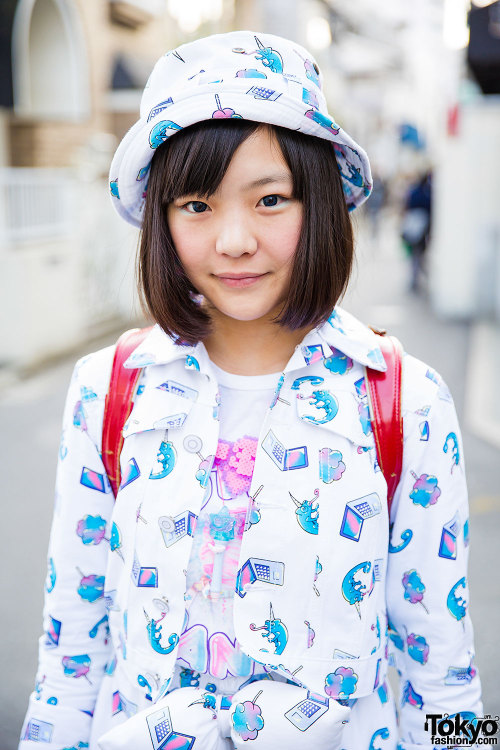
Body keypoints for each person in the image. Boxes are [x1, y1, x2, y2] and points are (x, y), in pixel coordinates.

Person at [20, 31, 482, 750]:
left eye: (270, 200)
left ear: (319, 203)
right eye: (197, 207)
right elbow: (70, 661)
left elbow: (446, 680)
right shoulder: (107, 392)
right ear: (161, 221)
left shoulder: (404, 401)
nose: (233, 240)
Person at [400, 171, 432, 293]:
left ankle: (415, 279)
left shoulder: (413, 192)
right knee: (418, 254)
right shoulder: (428, 194)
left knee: (415, 254)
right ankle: (418, 279)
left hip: (413, 226)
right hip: (422, 228)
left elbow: (406, 206)